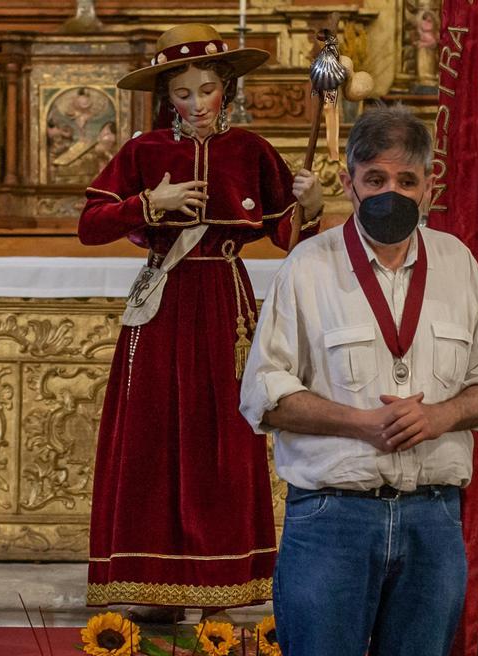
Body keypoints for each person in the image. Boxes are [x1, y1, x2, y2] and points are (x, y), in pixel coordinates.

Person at [239, 105, 478, 656]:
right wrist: (360, 422)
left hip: (433, 519)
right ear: (350, 183)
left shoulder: (458, 263)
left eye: (407, 181)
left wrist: (440, 416)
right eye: (376, 180)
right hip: (331, 520)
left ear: (429, 185)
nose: (392, 192)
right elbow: (265, 391)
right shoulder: (308, 266)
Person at [79, 23, 324, 612]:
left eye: (206, 90)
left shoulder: (251, 151)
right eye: (182, 93)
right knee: (154, 434)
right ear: (168, 97)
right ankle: (151, 584)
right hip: (162, 303)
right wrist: (147, 204)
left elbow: (289, 236)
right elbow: (90, 226)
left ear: (226, 91)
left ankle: (221, 583)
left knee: (223, 433)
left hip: (225, 307)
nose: (195, 104)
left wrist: (312, 203)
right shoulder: (143, 152)